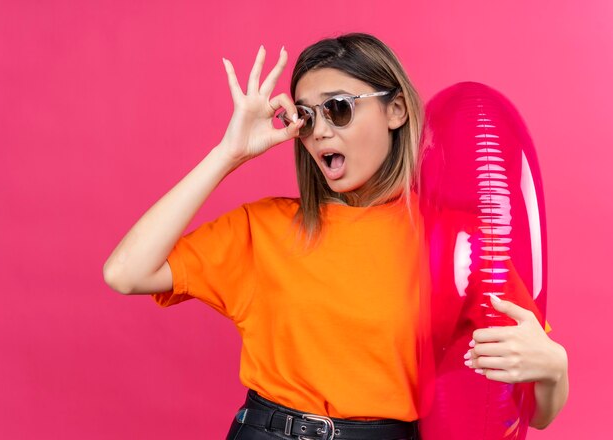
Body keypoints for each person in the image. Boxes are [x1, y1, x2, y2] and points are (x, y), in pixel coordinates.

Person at [103, 33, 568, 440]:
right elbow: (125, 272)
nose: (321, 130)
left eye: (339, 109)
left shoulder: (453, 243)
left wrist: (554, 369)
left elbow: (534, 413)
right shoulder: (263, 229)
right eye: (307, 116)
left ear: (396, 110)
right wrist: (228, 154)